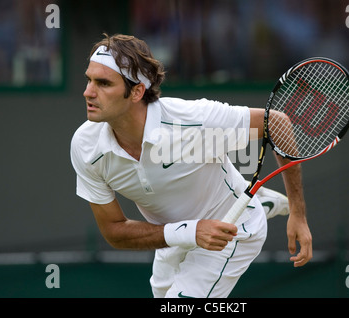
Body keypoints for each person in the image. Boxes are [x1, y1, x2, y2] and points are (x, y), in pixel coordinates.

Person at [70, 33, 312, 298]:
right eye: (89, 79)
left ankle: (252, 205)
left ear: (137, 91)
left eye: (103, 83)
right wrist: (189, 232)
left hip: (232, 229)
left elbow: (276, 123)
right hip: (176, 238)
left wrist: (298, 213)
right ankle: (258, 199)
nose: (88, 92)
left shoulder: (194, 120)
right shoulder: (86, 145)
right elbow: (114, 231)